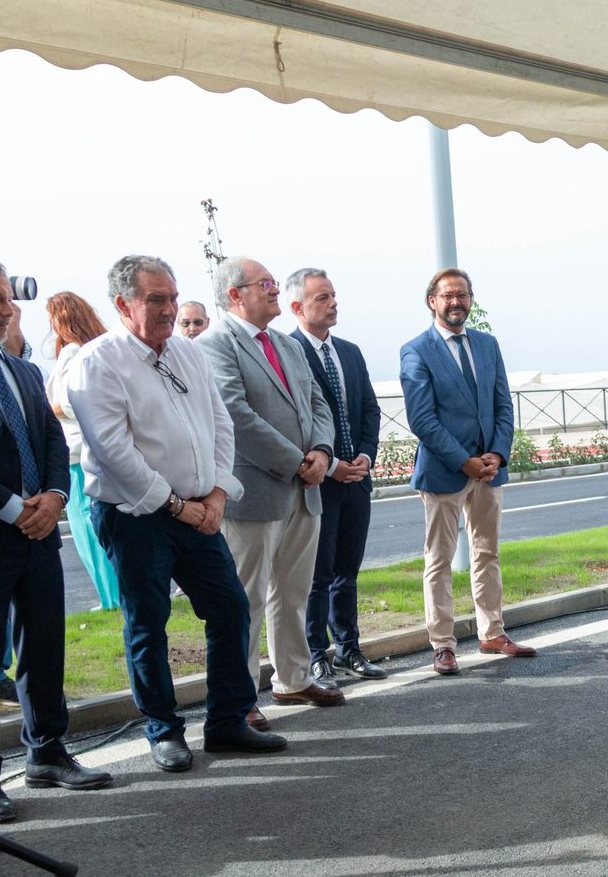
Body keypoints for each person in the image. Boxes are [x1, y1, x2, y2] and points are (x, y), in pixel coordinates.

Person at [67, 255, 286, 772]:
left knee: (230, 608)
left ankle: (227, 723)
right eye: (155, 300)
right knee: (149, 623)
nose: (169, 309)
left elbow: (220, 424)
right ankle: (163, 731)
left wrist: (216, 494)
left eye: (172, 297)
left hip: (201, 510)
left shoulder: (188, 352)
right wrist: (176, 506)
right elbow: (113, 451)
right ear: (123, 304)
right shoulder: (98, 362)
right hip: (136, 516)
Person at [0, 259, 113, 821]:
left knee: (43, 645)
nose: (9, 310)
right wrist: (13, 508)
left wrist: (56, 496)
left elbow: (53, 441)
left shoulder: (22, 370)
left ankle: (47, 752)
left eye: (9, 299)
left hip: (39, 533)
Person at [200, 258, 343, 725]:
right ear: (236, 294)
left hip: (306, 489)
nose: (275, 290)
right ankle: (240, 698)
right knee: (246, 598)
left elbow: (317, 402)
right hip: (256, 491)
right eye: (265, 283)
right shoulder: (215, 344)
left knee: (294, 592)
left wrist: (321, 452)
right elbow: (235, 414)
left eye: (274, 283)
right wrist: (295, 461)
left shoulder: (286, 343)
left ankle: (294, 679)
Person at [400, 267, 533, 676]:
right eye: (448, 295)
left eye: (463, 295)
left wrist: (498, 454)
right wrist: (464, 461)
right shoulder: (416, 350)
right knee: (439, 560)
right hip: (445, 471)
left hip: (489, 472)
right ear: (432, 302)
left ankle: (492, 632)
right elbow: (422, 419)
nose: (456, 302)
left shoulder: (488, 344)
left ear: (471, 300)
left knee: (487, 552)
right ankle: (442, 644)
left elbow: (503, 405)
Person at [289, 267, 386, 688]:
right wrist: (331, 465)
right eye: (322, 298)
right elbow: (295, 420)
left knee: (348, 571)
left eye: (333, 296)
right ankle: (316, 656)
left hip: (356, 480)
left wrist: (365, 456)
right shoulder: (289, 352)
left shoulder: (350, 351)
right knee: (317, 576)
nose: (333, 304)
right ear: (298, 306)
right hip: (318, 483)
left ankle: (349, 649)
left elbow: (369, 409)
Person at [44, 291, 121, 609]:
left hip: (76, 452)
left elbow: (69, 403)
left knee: (87, 529)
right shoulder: (97, 348)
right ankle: (114, 595)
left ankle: (110, 598)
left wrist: (43, 408)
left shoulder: (71, 352)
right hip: (94, 449)